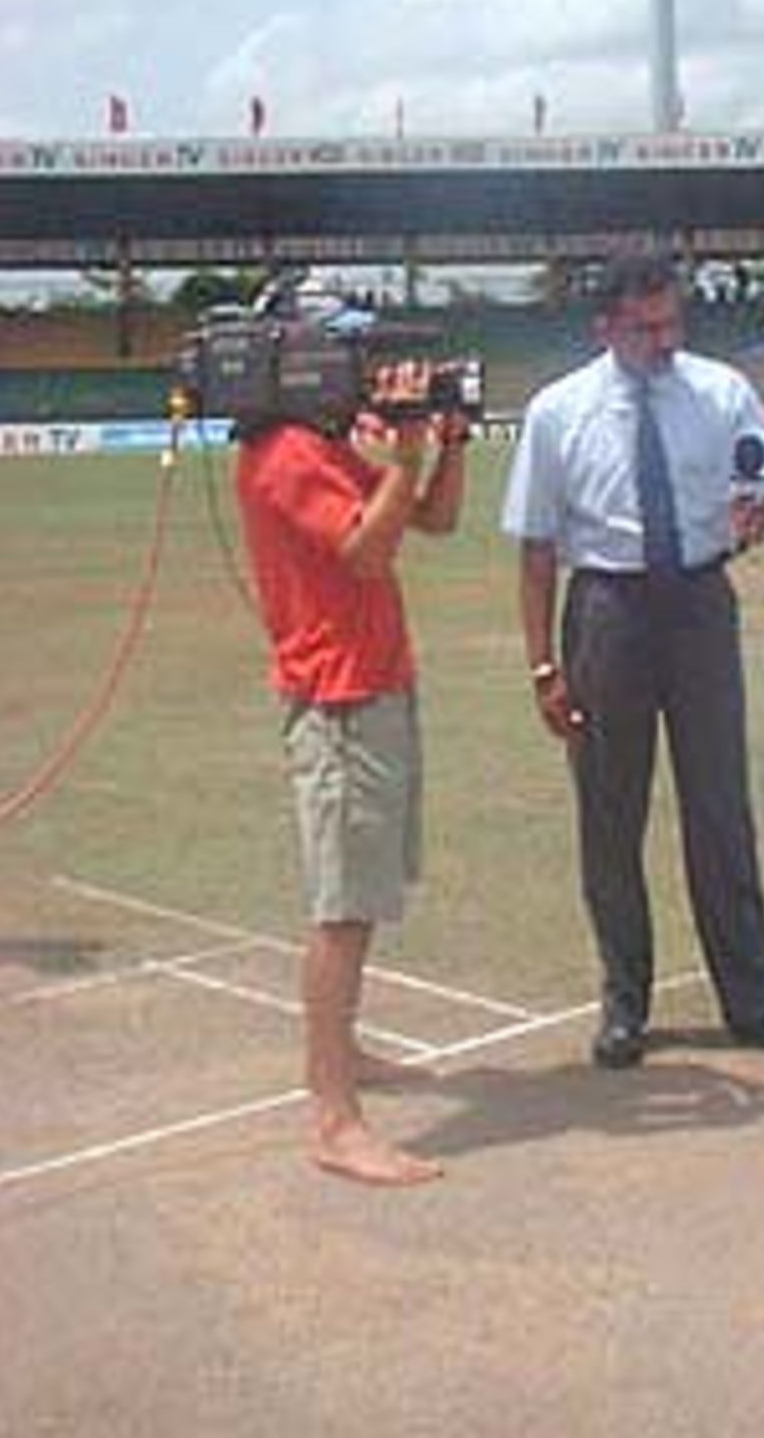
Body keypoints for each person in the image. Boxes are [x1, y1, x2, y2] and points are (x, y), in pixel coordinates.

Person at [501, 248, 764, 1070]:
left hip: (701, 605)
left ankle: (756, 1004)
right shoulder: (557, 411)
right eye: (645, 328)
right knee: (610, 816)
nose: (665, 340)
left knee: (721, 808)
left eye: (674, 321)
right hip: (607, 611)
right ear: (604, 327)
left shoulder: (721, 391)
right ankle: (625, 1005)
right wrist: (543, 667)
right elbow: (536, 550)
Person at [236, 349, 469, 1187]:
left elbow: (433, 520)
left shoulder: (326, 445)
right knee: (342, 908)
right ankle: (335, 1120)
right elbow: (367, 552)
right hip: (338, 698)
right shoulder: (287, 454)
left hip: (375, 682)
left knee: (363, 897)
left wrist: (447, 445)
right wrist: (403, 455)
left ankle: (345, 1054)